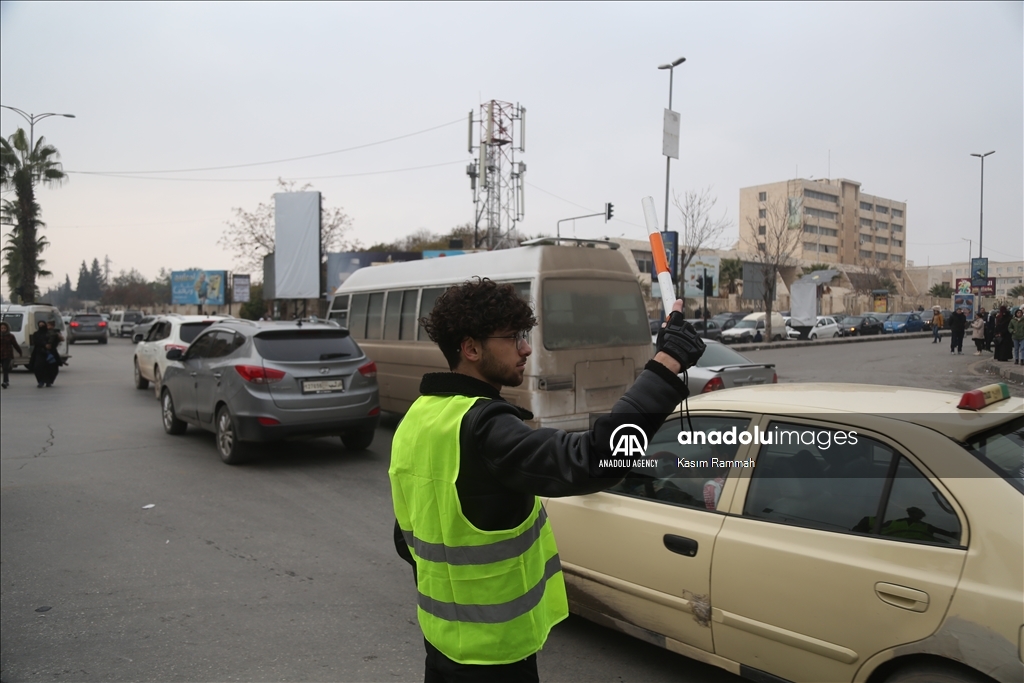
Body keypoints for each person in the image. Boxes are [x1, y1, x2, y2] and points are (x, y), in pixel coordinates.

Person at [388, 277, 704, 682]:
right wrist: (666, 366)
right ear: (470, 349)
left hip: (443, 643)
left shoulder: (418, 418)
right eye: (512, 338)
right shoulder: (484, 428)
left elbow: (406, 539)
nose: (525, 348)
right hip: (496, 656)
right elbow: (593, 459)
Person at [0, 320, 23, 388]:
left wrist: (19, 351)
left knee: (5, 368)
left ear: (7, 328)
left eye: (4, 328)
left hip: (7, 354)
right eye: (2, 328)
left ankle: (5, 381)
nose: (3, 329)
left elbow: (15, 344)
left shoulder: (10, 336)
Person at [44, 320, 64, 386]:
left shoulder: (55, 332)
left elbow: (62, 339)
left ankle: (49, 381)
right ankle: (47, 381)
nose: (48, 327)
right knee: (48, 367)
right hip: (46, 351)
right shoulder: (44, 332)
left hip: (52, 351)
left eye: (49, 325)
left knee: (53, 368)